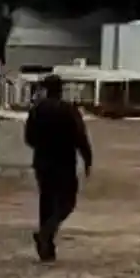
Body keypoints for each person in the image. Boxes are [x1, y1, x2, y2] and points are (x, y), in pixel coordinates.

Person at [24, 74, 93, 262]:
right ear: (61, 89)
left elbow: (28, 138)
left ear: (46, 89)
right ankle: (46, 233)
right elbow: (80, 137)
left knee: (46, 202)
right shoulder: (69, 110)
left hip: (43, 163)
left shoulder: (37, 110)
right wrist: (87, 159)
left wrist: (42, 146)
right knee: (67, 202)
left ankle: (46, 247)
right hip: (64, 162)